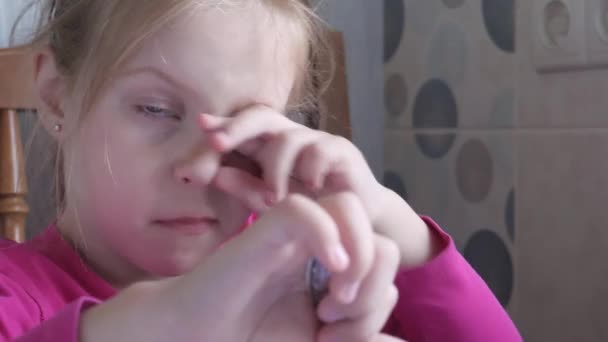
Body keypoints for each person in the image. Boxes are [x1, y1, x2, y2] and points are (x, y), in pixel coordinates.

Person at [0, 0, 523, 341]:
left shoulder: (304, 271)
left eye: (247, 127)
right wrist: (169, 322)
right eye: (156, 110)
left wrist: (390, 218)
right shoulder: (14, 295)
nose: (202, 167)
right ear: (56, 97)